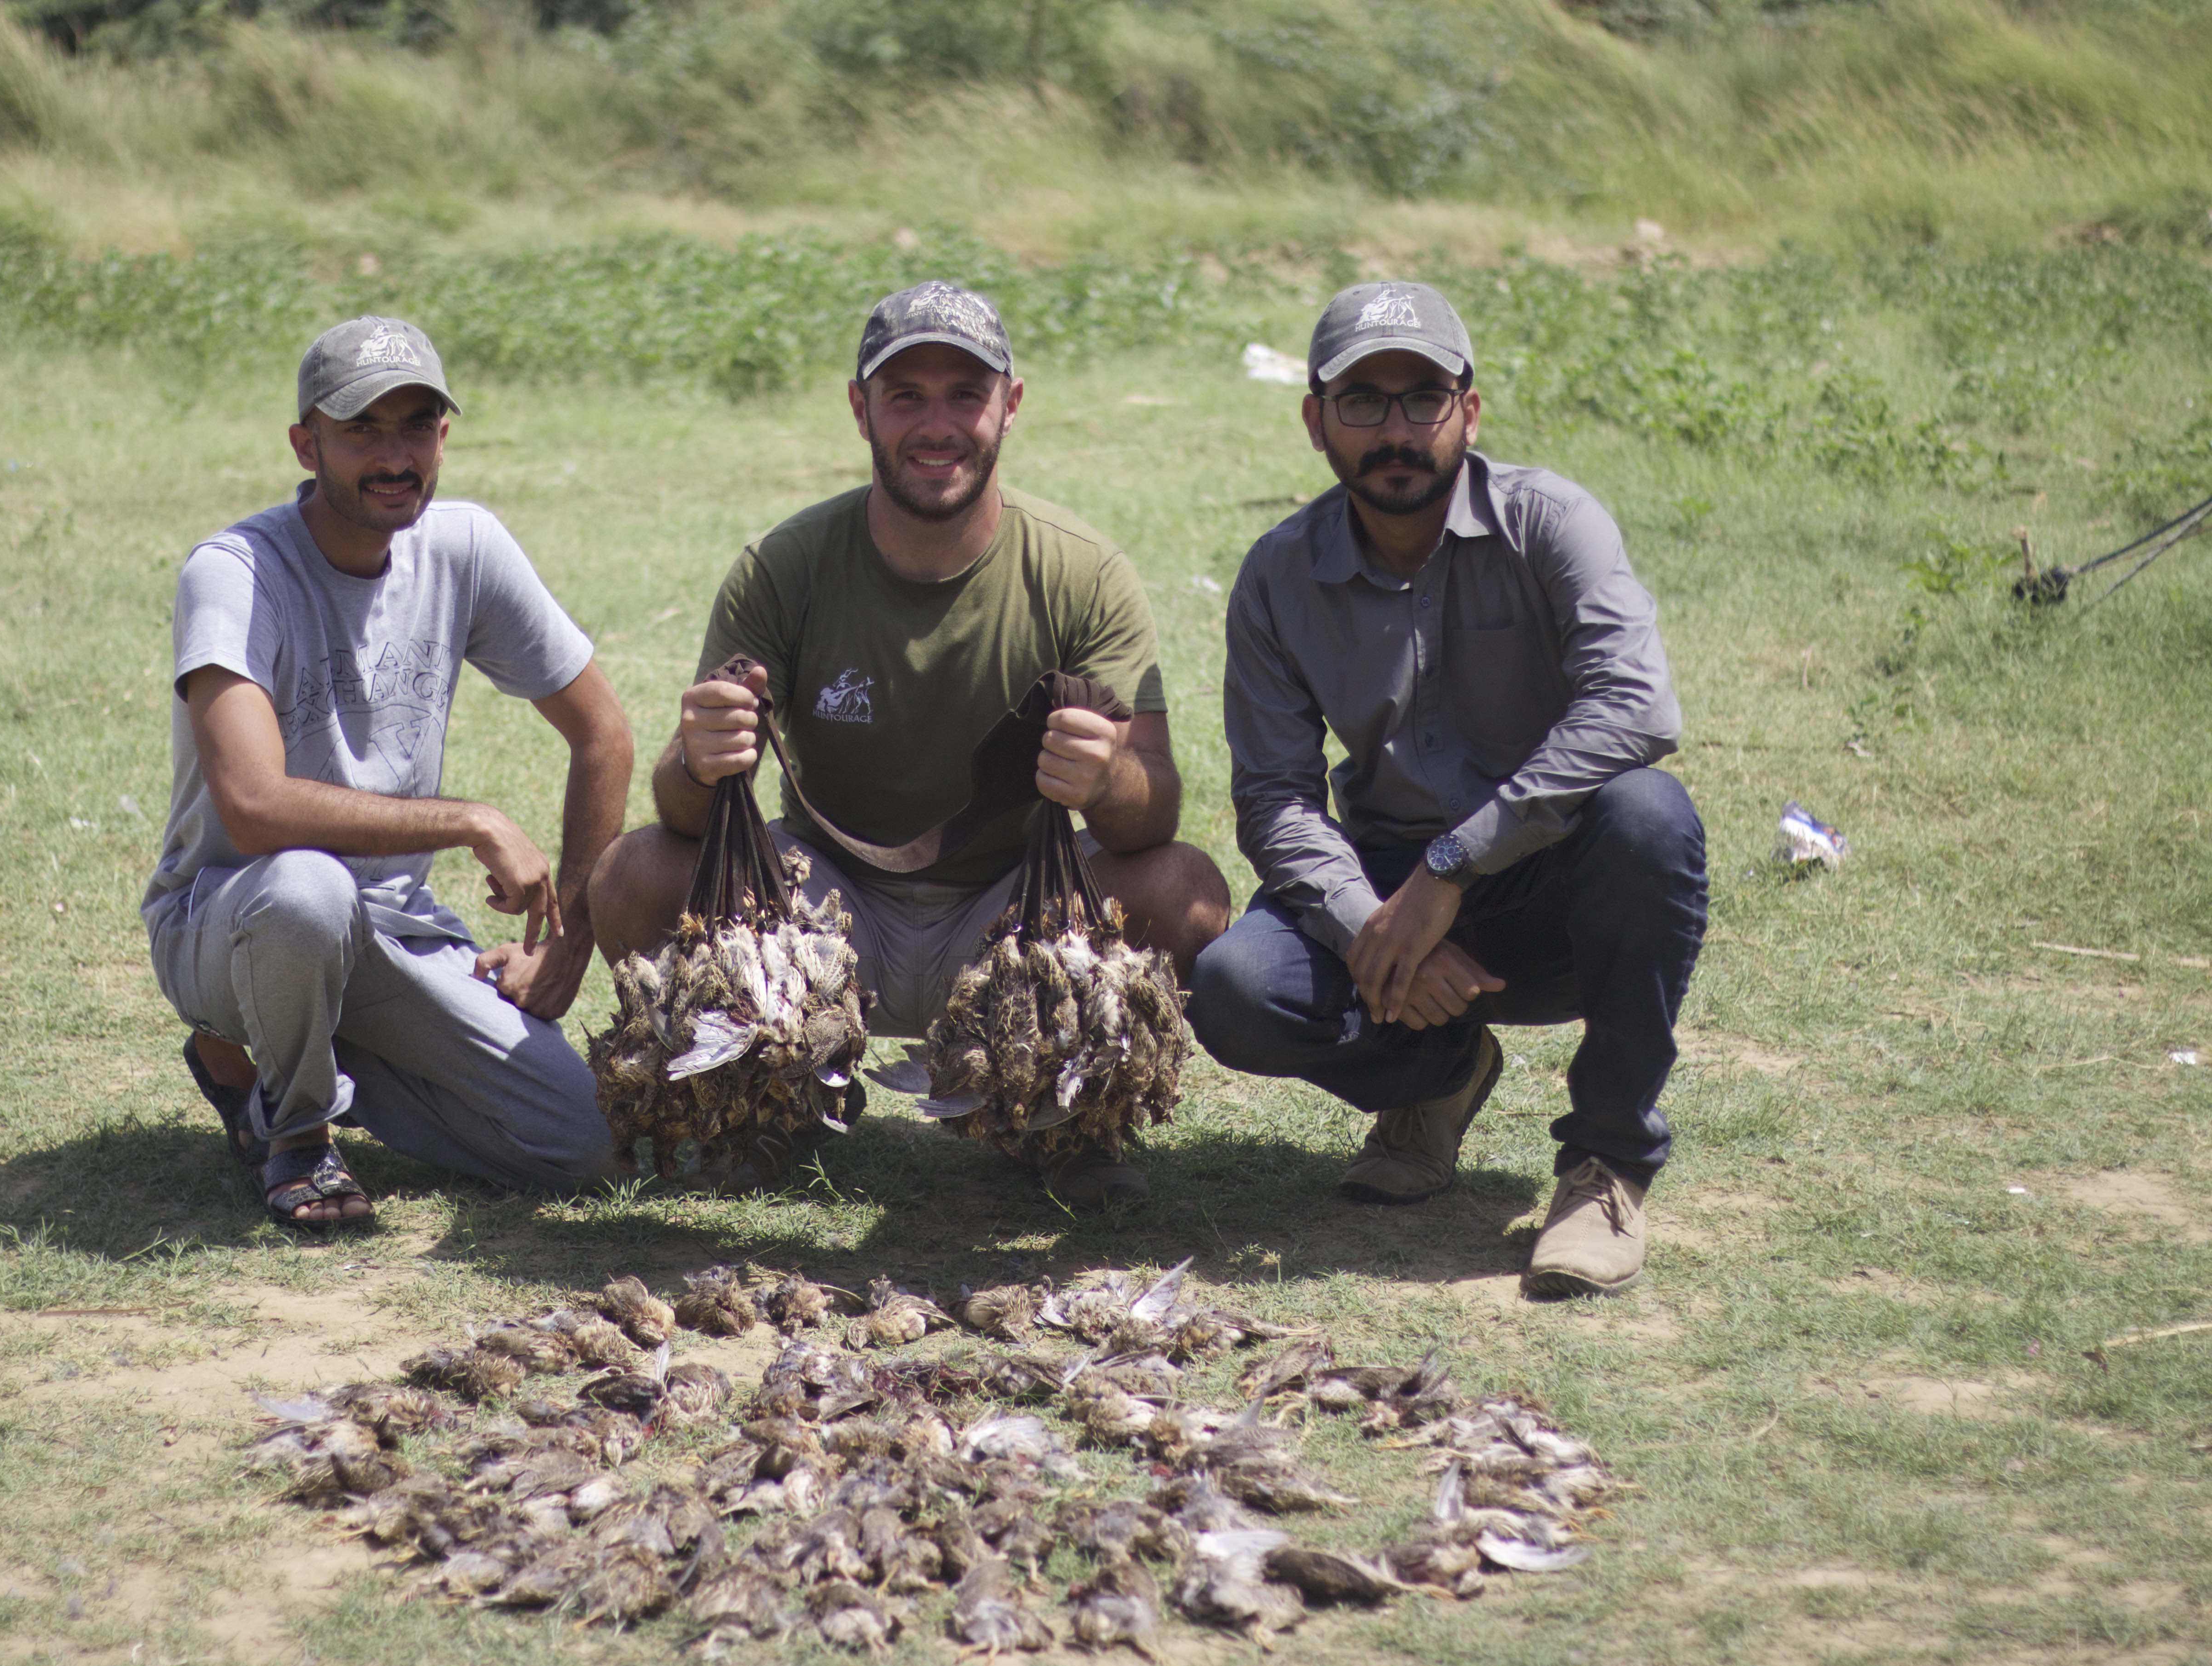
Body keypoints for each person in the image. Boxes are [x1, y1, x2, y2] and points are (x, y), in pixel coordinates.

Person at [588, 281, 1229, 1208]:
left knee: (1188, 890)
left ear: (1010, 404)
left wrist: (1107, 777)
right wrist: (698, 760)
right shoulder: (786, 567)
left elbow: (1155, 808)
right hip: (824, 906)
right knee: (636, 873)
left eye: (965, 395)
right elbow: (689, 815)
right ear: (861, 410)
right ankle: (765, 1105)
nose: (938, 426)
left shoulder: (1085, 574)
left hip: (1018, 912)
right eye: (906, 397)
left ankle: (1069, 1120)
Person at [1186, 281, 1706, 1297]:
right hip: (1389, 886)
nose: (1395, 430)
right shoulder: (1278, 576)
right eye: (1363, 403)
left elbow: (1640, 710)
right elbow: (1278, 801)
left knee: (1650, 815)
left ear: (1469, 409)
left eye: (1423, 398)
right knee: (1234, 989)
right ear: (1315, 423)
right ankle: (1438, 1075)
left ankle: (1606, 1165)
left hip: (1549, 880)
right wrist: (1366, 926)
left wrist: (1454, 865)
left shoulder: (1552, 522)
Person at [144, 316, 632, 1228]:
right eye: (362, 429)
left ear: (445, 436)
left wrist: (568, 947)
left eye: (416, 426)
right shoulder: (234, 573)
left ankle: (308, 1062)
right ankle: (291, 1128)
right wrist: (471, 820)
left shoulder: (464, 548)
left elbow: (603, 732)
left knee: (582, 1141)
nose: (394, 455)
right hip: (228, 915)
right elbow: (252, 810)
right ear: (306, 442)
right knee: (305, 890)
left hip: (392, 931)